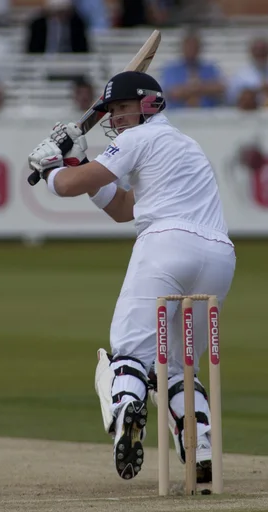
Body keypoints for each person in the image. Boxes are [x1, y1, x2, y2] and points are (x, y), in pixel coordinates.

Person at [27, 71, 236, 483]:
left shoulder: (137, 139)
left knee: (130, 352)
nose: (117, 118)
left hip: (166, 247)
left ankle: (127, 414)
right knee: (177, 368)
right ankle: (202, 447)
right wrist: (77, 161)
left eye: (123, 108)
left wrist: (49, 166)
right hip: (218, 257)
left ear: (148, 103)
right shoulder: (183, 144)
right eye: (112, 112)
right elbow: (123, 207)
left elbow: (67, 186)